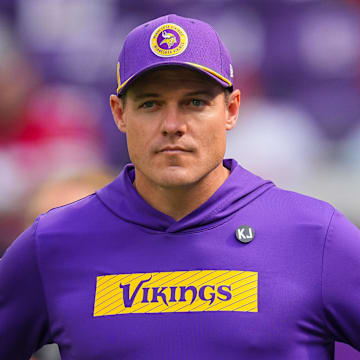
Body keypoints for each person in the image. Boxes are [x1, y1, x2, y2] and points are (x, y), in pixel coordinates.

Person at [0, 14, 359, 360]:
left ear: (232, 110)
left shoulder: (313, 236)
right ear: (119, 113)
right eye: (151, 104)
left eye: (195, 103)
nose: (173, 125)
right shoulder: (54, 244)